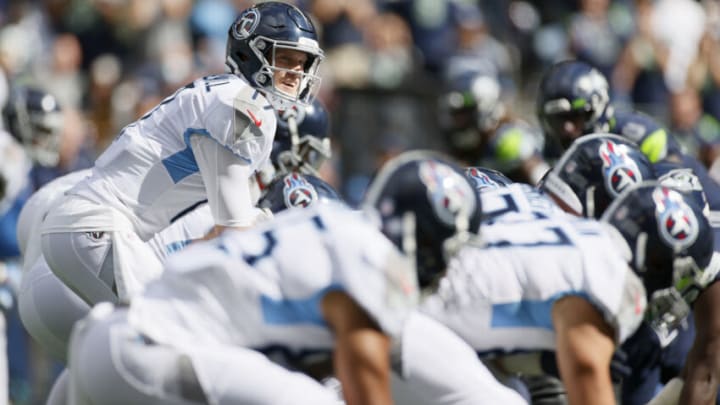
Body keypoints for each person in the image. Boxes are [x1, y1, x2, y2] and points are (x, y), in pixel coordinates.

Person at [63, 151, 526, 404]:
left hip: (104, 339)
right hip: (150, 351)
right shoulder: (373, 259)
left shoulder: (326, 232)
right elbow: (366, 385)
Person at [39, 1, 325, 307]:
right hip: (98, 227)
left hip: (90, 226)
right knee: (168, 331)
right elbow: (235, 232)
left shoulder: (228, 93)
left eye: (301, 62)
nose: (295, 72)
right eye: (284, 58)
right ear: (250, 52)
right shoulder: (244, 104)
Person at [536, 60, 613, 157]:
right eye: (558, 119)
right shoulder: (548, 153)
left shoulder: (630, 135)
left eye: (575, 116)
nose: (567, 128)